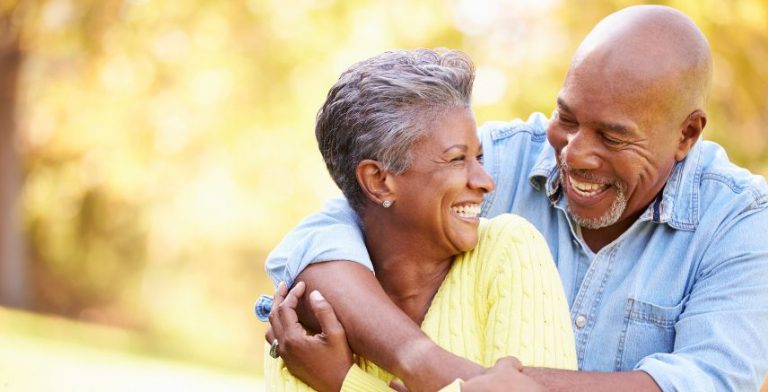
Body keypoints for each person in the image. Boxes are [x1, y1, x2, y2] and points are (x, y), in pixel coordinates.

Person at [262, 5, 768, 391]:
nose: (576, 155)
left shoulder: (741, 222)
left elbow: (707, 382)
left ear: (687, 134)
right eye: (567, 118)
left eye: (613, 137)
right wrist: (422, 362)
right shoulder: (498, 160)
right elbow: (324, 238)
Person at [261, 49, 577, 391]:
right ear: (379, 180)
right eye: (457, 159)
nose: (486, 181)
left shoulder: (508, 250)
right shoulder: (308, 314)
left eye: (479, 157)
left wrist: (344, 382)